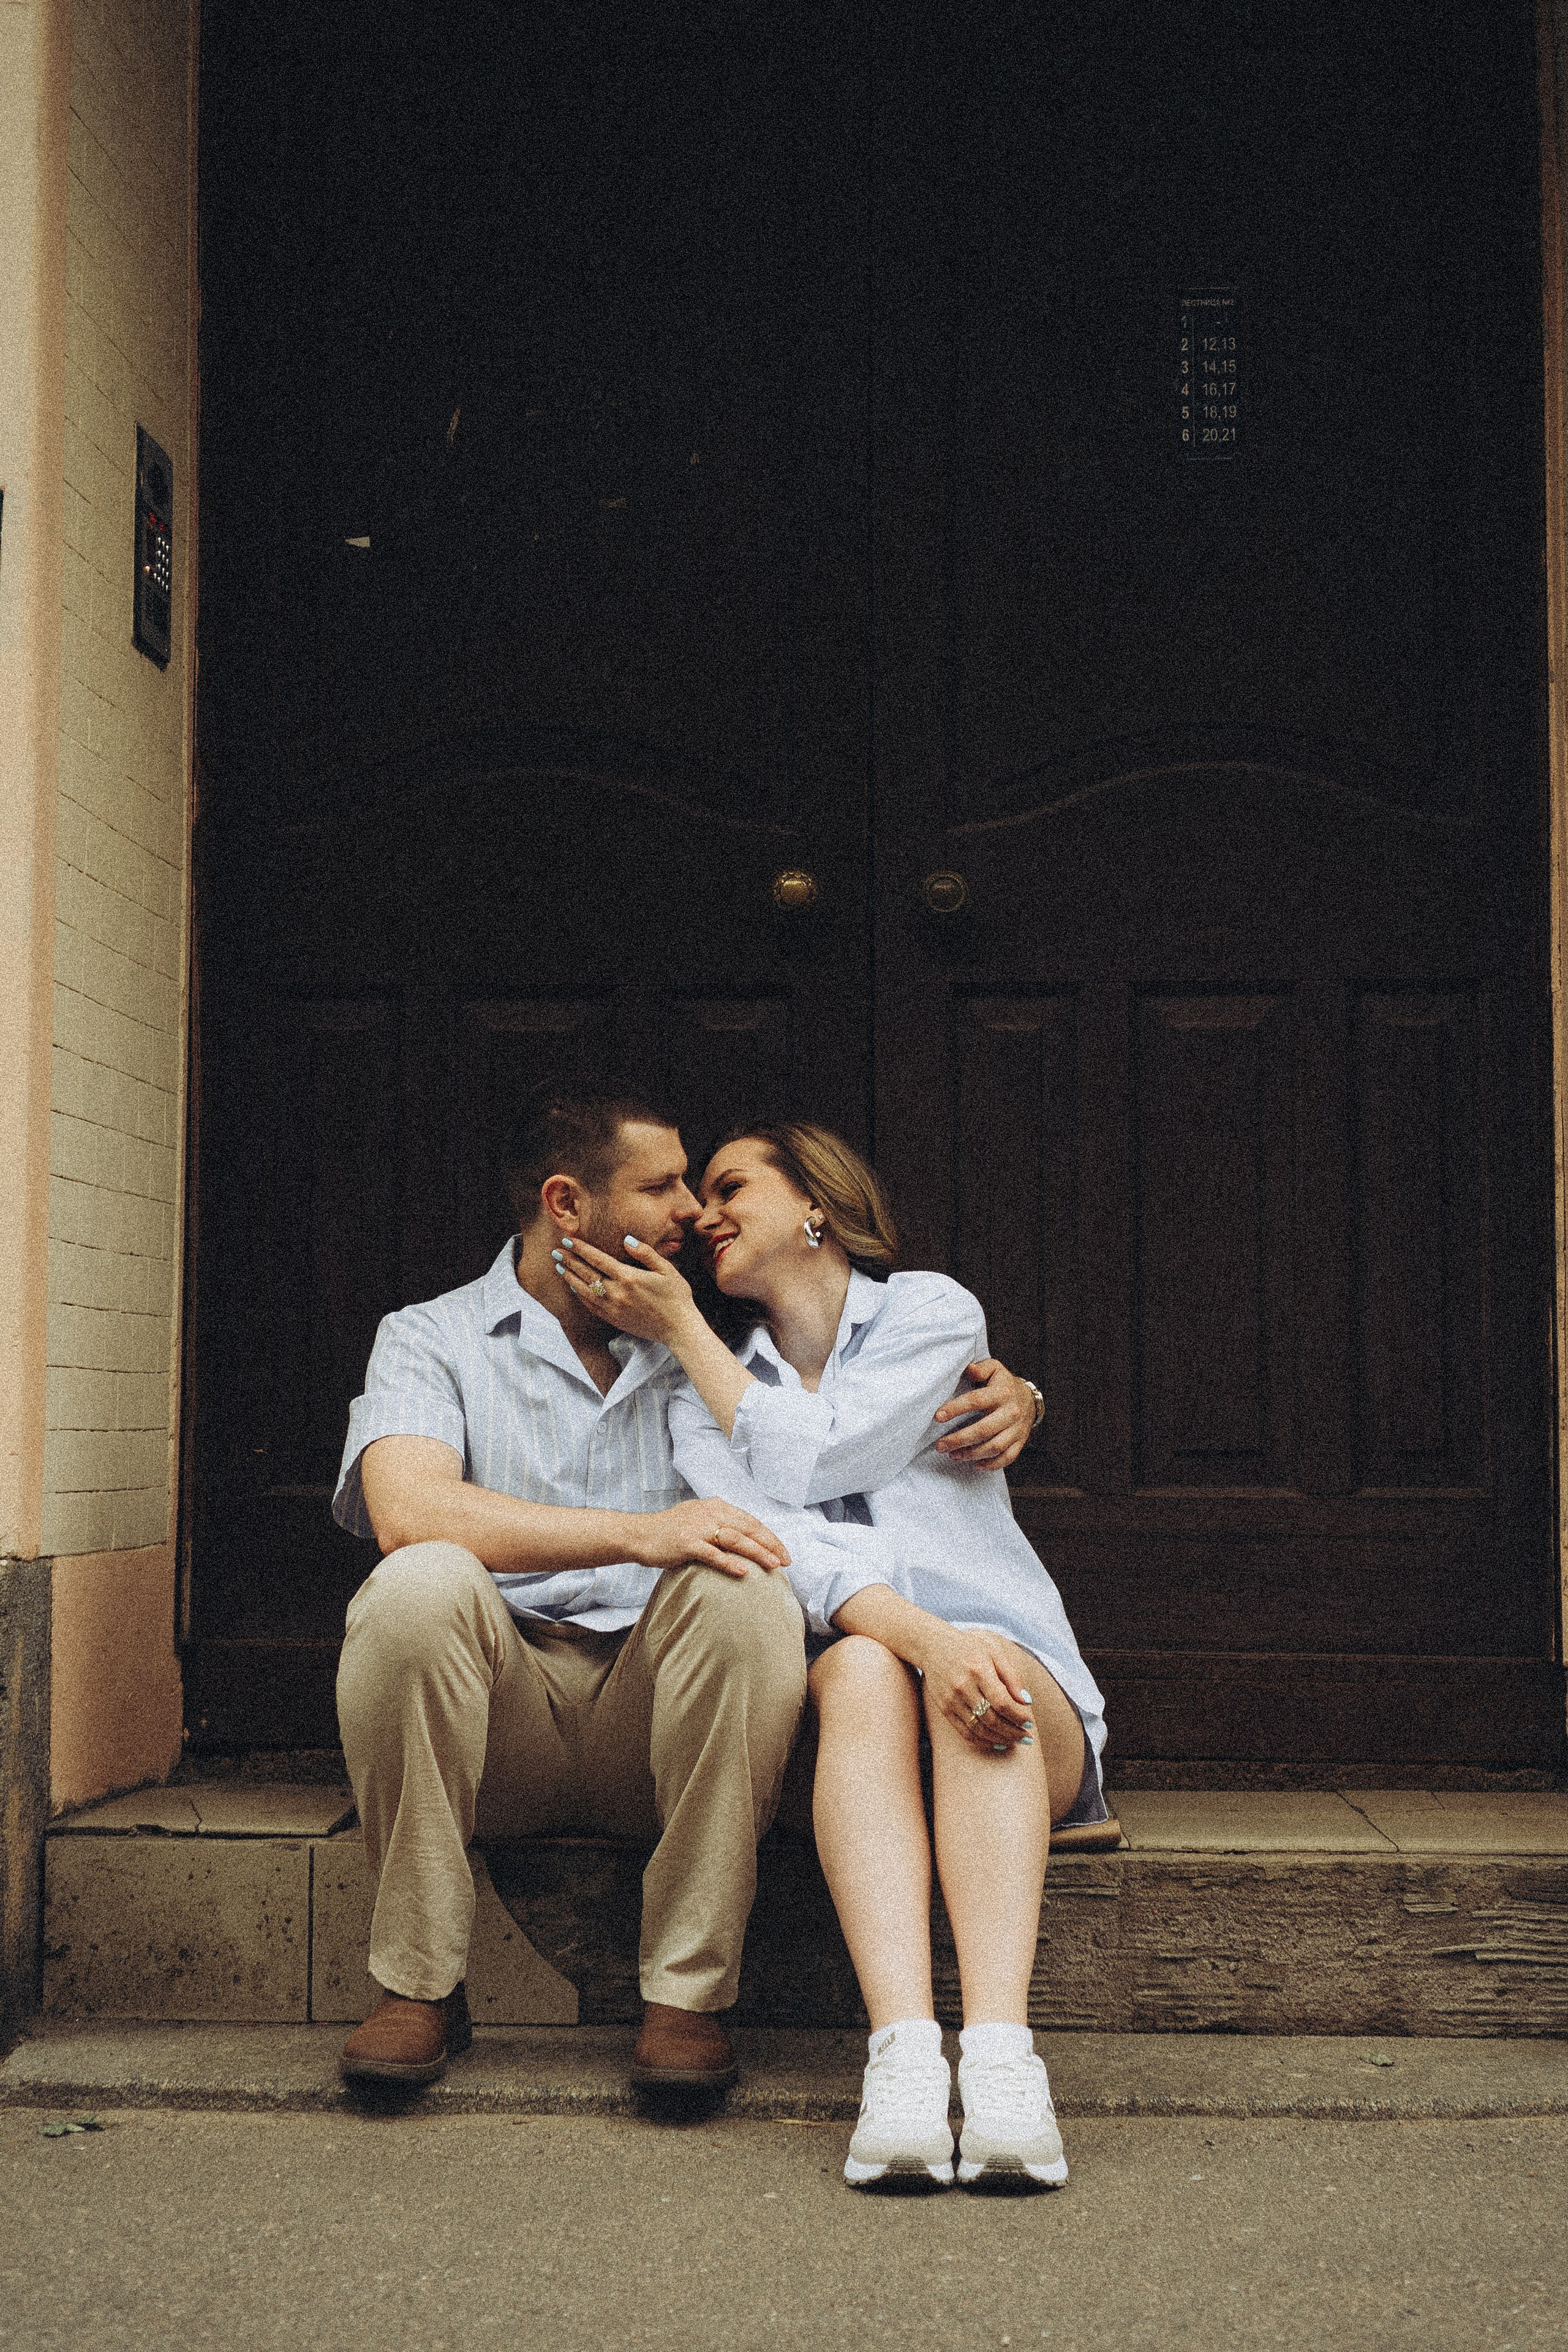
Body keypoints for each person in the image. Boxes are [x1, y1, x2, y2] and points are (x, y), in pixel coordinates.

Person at [330, 1092, 1039, 2094]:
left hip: (656, 1726)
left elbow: (827, 1435)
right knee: (419, 1578)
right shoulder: (429, 1336)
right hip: (494, 1720)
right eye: (662, 1187)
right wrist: (639, 1533)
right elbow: (406, 1509)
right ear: (567, 1204)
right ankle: (418, 1987)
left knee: (745, 1585)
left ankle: (687, 1997)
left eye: (704, 1187)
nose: (691, 1213)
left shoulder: (706, 1354)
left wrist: (1022, 1393)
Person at [551, 1120, 1107, 2186]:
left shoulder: (932, 1314)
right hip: (862, 1728)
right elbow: (781, 1546)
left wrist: (950, 1646)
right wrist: (923, 1640)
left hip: (1016, 1701)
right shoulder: (697, 1393)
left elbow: (824, 1455)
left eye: (731, 1187)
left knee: (978, 1662)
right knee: (856, 1665)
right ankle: (902, 2060)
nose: (704, 1215)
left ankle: (1002, 2061)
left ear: (816, 1200)